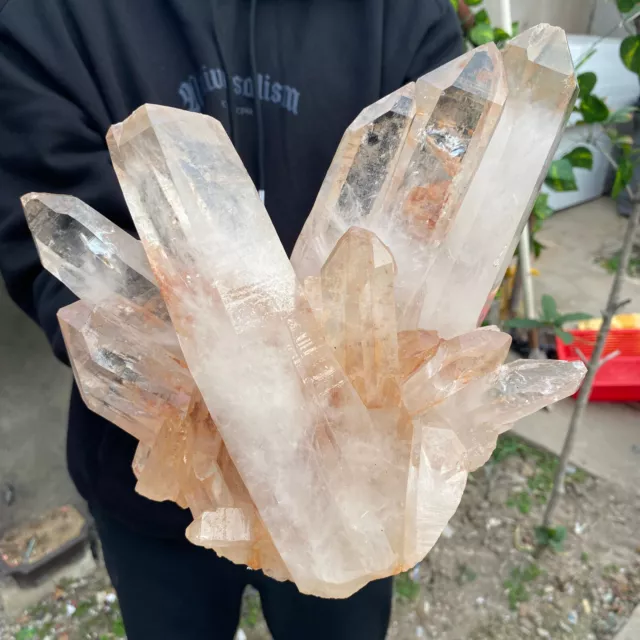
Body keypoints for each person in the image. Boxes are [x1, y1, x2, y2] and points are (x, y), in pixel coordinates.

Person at [0, 1, 463, 638]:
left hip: (351, 502)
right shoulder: (41, 17)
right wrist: (192, 384)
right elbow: (43, 235)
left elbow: (444, 222)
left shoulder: (400, 14)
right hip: (153, 496)